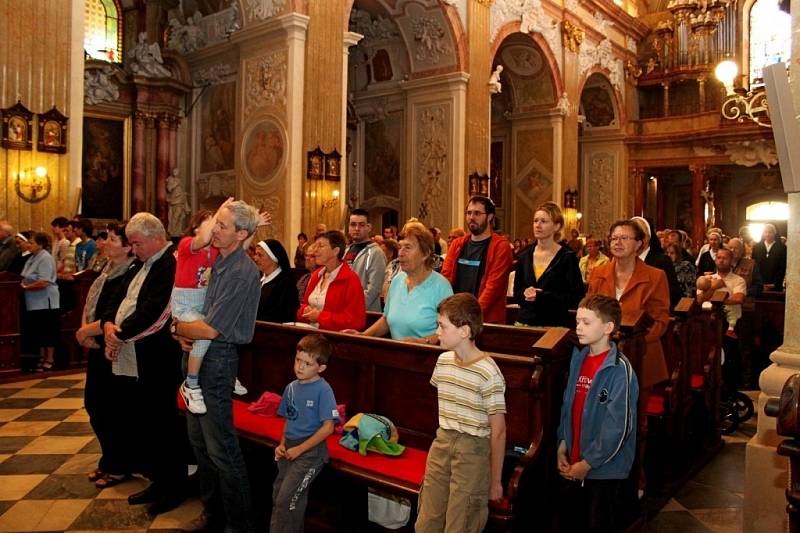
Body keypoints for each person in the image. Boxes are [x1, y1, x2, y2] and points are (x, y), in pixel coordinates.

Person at [171, 200, 263, 533]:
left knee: (221, 448)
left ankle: (240, 525)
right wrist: (184, 334)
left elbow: (211, 329)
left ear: (241, 234)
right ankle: (213, 515)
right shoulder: (218, 260)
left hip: (219, 359)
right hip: (199, 353)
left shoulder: (242, 271)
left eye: (222, 225)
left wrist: (175, 328)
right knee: (199, 444)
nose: (215, 230)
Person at [102, 212, 187, 515]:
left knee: (165, 425)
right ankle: (158, 481)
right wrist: (109, 325)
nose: (133, 249)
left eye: (137, 243)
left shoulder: (170, 266)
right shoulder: (140, 263)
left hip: (158, 358)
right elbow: (117, 296)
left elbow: (156, 311)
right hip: (135, 355)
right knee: (147, 422)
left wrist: (119, 334)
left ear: (155, 237)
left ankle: (173, 486)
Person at [415, 293, 506, 533]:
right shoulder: (443, 361)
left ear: (464, 331)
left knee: (462, 520)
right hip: (443, 441)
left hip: (473, 450)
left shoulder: (488, 372)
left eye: (442, 326)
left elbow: (498, 431)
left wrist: (495, 480)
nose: (437, 332)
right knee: (427, 518)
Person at [555, 294, 638, 532]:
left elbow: (618, 427)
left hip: (604, 470)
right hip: (575, 462)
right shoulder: (578, 359)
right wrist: (562, 443)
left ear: (608, 327)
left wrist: (589, 462)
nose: (578, 327)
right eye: (578, 321)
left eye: (586, 322)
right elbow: (568, 406)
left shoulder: (620, 370)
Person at [76, 222, 136, 489]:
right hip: (98, 345)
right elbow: (92, 302)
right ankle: (109, 459)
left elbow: (114, 313)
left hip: (113, 347)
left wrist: (87, 331)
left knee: (111, 409)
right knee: (95, 405)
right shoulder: (108, 270)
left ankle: (119, 464)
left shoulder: (129, 275)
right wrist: (84, 327)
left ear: (128, 247)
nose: (106, 242)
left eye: (113, 239)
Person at [587, 220, 670, 389]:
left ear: (639, 243)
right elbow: (589, 314)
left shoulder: (656, 276)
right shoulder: (598, 273)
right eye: (614, 238)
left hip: (641, 357)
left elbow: (659, 322)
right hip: (602, 354)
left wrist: (631, 345)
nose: (617, 242)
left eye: (624, 238)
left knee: (634, 412)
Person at [271, 334, 339, 533]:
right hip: (290, 448)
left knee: (287, 500)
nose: (300, 367)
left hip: (310, 453)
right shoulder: (291, 388)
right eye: (298, 360)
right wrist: (282, 444)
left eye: (307, 363)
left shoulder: (323, 390)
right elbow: (289, 419)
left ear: (321, 367)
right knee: (279, 496)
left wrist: (300, 449)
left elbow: (328, 427)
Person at [348, 221, 453, 343]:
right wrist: (363, 336)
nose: (400, 253)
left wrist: (423, 342)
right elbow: (387, 320)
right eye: (400, 247)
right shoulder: (398, 280)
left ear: (425, 253)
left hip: (427, 357)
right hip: (397, 356)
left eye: (407, 247)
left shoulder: (441, 287)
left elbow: (450, 331)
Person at [441, 195, 513, 324]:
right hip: (455, 318)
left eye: (477, 213)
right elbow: (445, 279)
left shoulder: (501, 247)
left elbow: (493, 288)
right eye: (468, 213)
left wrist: (469, 317)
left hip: (485, 320)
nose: (471, 217)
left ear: (490, 217)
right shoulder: (457, 244)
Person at [513, 202, 584, 327]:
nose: (538, 225)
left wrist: (542, 297)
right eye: (535, 221)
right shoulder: (524, 256)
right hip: (525, 321)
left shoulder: (567, 257)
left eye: (544, 221)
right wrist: (524, 292)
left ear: (557, 226)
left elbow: (575, 297)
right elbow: (516, 293)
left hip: (554, 323)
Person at [297, 230, 366, 331]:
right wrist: (304, 310)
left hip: (334, 340)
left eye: (320, 246)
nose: (315, 250)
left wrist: (320, 317)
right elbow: (303, 306)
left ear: (335, 251)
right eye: (315, 246)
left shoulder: (351, 279)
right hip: (310, 333)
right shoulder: (316, 275)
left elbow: (356, 322)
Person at [20, 232, 59, 372]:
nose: (28, 245)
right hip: (33, 301)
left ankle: (50, 359)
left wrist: (26, 287)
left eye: (32, 243)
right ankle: (41, 357)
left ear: (40, 244)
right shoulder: (32, 257)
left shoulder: (45, 258)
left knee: (48, 331)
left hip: (45, 301)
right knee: (39, 332)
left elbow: (44, 281)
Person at [630, 217, 681, 309]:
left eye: (635, 237)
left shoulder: (662, 261)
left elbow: (672, 294)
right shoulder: (624, 261)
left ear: (646, 238)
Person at [697, 247, 746, 338]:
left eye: (725, 258)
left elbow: (738, 298)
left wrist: (713, 300)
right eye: (719, 258)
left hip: (729, 322)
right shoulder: (707, 279)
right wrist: (713, 287)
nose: (721, 260)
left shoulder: (738, 280)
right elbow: (699, 300)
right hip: (707, 322)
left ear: (731, 261)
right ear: (715, 260)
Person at [344, 209, 386, 312]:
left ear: (369, 227)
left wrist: (353, 308)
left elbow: (374, 288)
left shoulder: (376, 252)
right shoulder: (346, 250)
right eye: (353, 225)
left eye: (361, 225)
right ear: (348, 227)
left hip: (365, 312)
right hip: (344, 309)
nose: (357, 228)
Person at [254, 239, 300, 323]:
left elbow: (283, 317)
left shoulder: (286, 284)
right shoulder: (258, 280)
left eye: (260, 255)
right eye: (255, 254)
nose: (255, 258)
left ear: (274, 258)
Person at [752, 223, 787, 291]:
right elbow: (754, 266)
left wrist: (775, 283)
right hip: (759, 285)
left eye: (770, 232)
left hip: (775, 284)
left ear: (775, 233)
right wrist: (759, 283)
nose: (767, 234)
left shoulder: (782, 248)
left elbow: (782, 267)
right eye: (765, 232)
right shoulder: (756, 247)